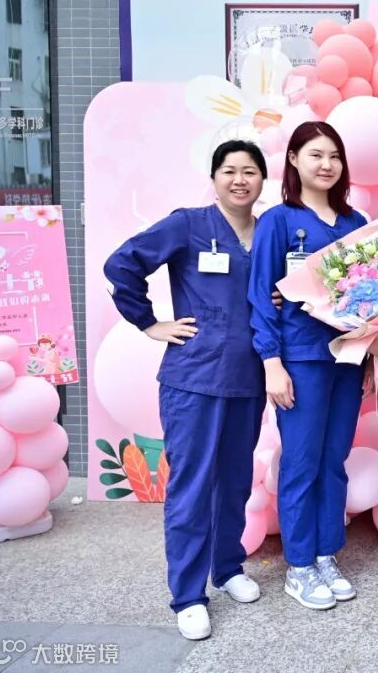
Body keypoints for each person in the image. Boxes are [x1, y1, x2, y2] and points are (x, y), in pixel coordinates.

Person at [104, 140, 268, 640]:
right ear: (214, 178)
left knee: (235, 481)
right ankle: (189, 595)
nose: (239, 179)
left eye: (249, 171)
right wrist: (149, 322)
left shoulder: (269, 232)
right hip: (194, 379)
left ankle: (228, 567)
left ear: (262, 180)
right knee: (192, 487)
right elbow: (122, 264)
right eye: (229, 170)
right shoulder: (188, 224)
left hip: (249, 378)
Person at [248, 121, 378, 611]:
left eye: (334, 156)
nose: (327, 165)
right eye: (316, 155)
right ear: (293, 160)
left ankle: (327, 553)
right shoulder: (278, 222)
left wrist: (370, 353)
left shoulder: (355, 223)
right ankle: (299, 565)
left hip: (346, 359)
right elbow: (261, 297)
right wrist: (271, 363)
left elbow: (373, 295)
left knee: (333, 460)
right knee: (302, 463)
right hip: (301, 360)